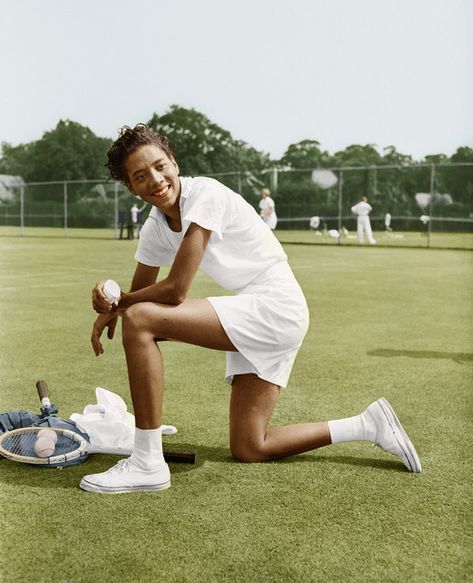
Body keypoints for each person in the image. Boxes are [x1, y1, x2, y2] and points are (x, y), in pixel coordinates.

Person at [81, 124, 421, 494]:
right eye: (141, 176)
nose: (156, 180)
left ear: (175, 164)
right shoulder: (155, 226)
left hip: (276, 305)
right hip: (255, 308)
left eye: (161, 167)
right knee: (249, 446)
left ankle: (147, 462)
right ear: (131, 187)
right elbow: (143, 291)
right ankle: (367, 425)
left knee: (140, 318)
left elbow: (175, 291)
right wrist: (117, 304)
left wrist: (121, 305)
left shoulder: (204, 193)